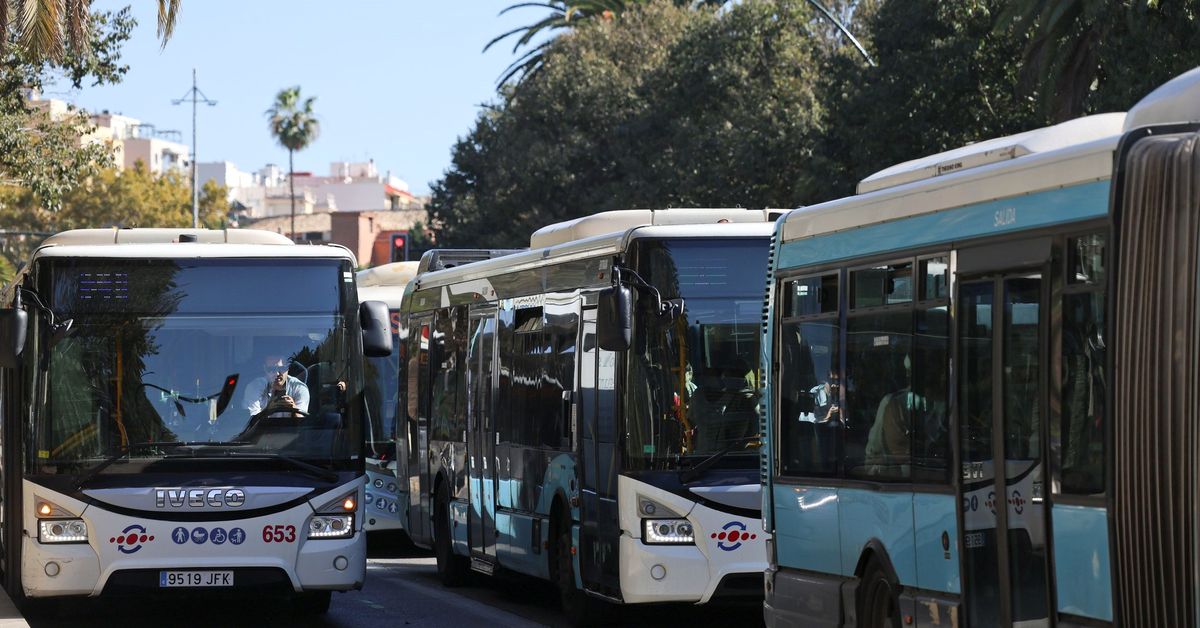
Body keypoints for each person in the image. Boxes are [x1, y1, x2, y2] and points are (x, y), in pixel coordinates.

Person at [244, 353, 309, 418]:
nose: (277, 374)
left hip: (290, 428)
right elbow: (252, 422)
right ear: (265, 369)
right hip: (263, 428)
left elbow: (301, 423)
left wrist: (294, 409)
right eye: (271, 369)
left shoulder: (299, 387)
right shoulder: (254, 388)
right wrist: (268, 410)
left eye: (281, 368)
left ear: (288, 368)